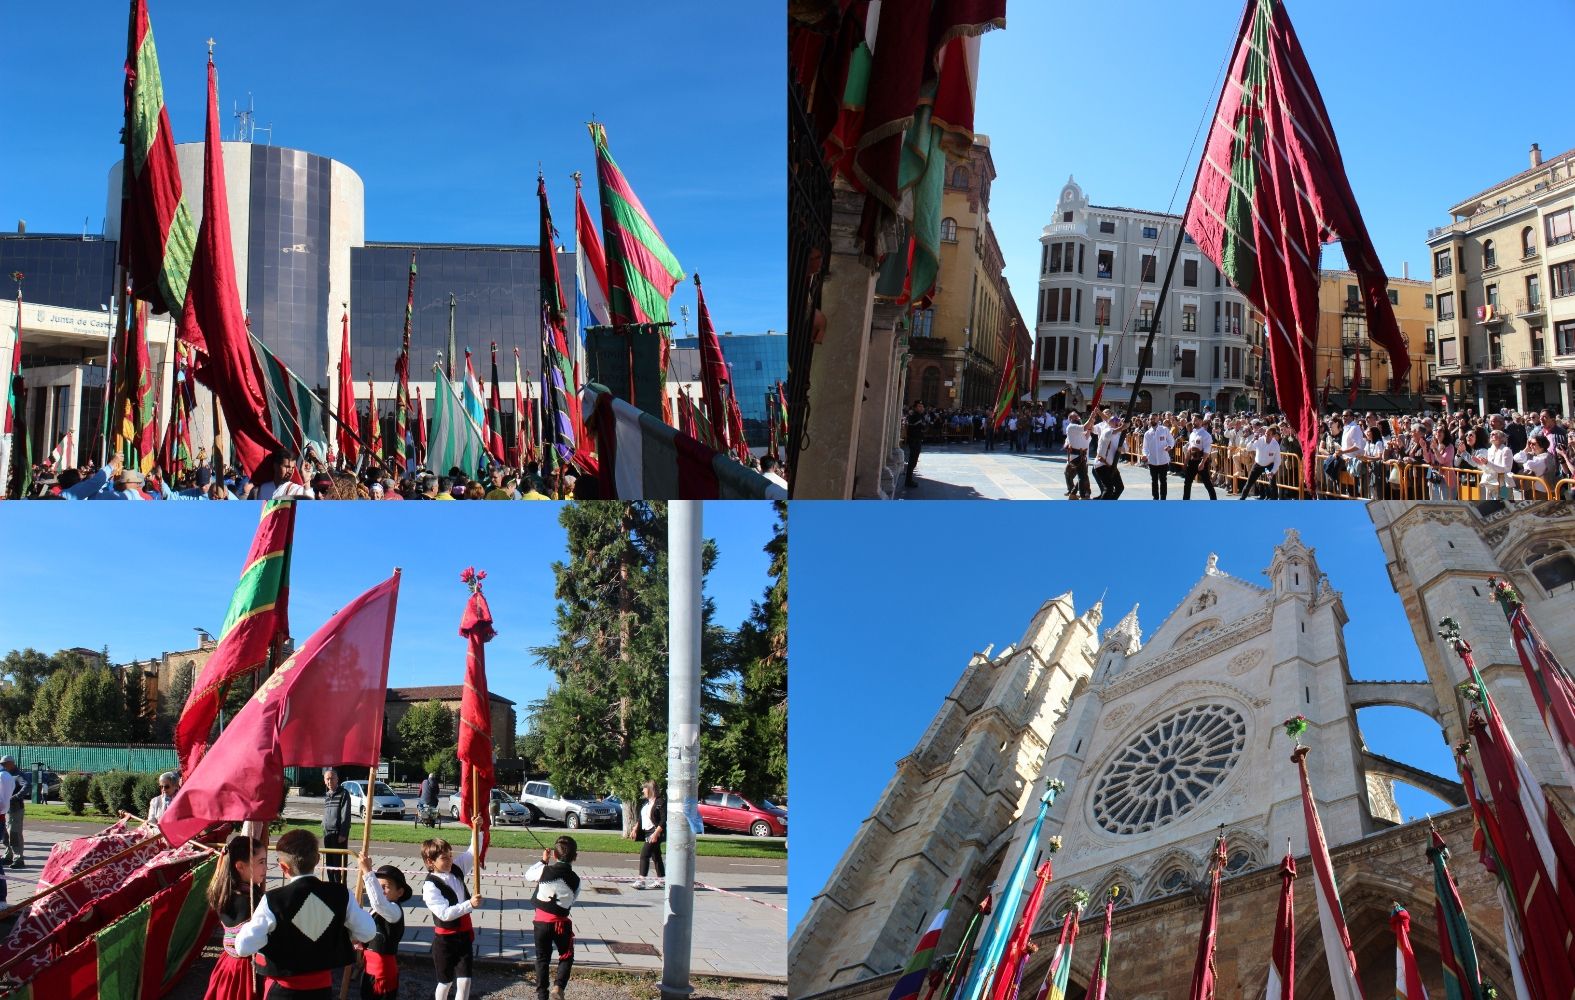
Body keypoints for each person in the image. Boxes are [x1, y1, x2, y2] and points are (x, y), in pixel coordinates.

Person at [232, 829, 378, 1000]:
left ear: (283, 867)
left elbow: (243, 947)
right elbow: (368, 932)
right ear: (317, 859)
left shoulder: (273, 900)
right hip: (321, 991)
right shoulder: (340, 894)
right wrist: (346, 933)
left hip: (283, 991)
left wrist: (268, 937)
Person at [420, 827, 484, 1000]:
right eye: (444, 858)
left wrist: (477, 830)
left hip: (463, 935)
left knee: (465, 980)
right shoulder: (430, 886)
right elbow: (444, 914)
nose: (449, 860)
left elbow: (473, 851)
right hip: (445, 941)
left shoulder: (456, 869)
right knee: (445, 982)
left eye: (450, 855)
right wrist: (469, 904)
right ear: (430, 861)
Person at [204, 834, 266, 1000]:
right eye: (261, 862)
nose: (266, 868)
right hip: (247, 970)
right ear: (240, 866)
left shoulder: (223, 891)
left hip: (227, 965)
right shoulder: (250, 901)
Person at [527, 836, 580, 1000]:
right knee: (566, 955)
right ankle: (558, 986)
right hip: (561, 924)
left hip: (541, 922)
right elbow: (572, 899)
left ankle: (542, 995)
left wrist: (543, 861)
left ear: (554, 856)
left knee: (542, 959)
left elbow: (528, 875)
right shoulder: (576, 880)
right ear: (575, 857)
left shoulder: (544, 870)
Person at [356, 851, 411, 1000]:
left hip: (383, 974)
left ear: (399, 892)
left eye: (386, 887)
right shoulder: (376, 909)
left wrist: (368, 872)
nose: (380, 890)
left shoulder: (394, 911)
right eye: (378, 886)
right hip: (369, 969)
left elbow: (378, 902)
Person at [632, 781, 665, 890]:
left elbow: (663, 820)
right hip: (647, 832)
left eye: (644, 788)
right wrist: (635, 828)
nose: (642, 791)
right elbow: (642, 817)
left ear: (650, 789)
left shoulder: (660, 802)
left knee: (644, 854)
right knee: (656, 856)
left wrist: (656, 833)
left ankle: (641, 881)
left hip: (655, 832)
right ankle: (661, 880)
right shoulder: (647, 803)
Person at [322, 768, 352, 886]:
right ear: (324, 781)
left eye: (332, 778)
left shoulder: (344, 794)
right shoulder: (327, 795)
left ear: (337, 779)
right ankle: (331, 886)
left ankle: (340, 888)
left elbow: (346, 815)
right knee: (329, 864)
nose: (329, 781)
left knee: (339, 864)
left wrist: (343, 834)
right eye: (327, 779)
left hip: (338, 835)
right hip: (327, 834)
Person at [1240, 425, 1282, 499]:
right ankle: (1242, 499)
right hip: (1258, 465)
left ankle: (1275, 502)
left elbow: (1277, 460)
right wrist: (1253, 440)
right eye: (1265, 434)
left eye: (1268, 434)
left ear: (1273, 436)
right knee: (1249, 483)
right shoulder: (1259, 440)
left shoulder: (1275, 445)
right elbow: (1248, 448)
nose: (1266, 436)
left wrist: (1273, 471)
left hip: (1269, 466)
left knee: (1273, 484)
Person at [1182, 415, 1217, 500]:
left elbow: (1207, 450)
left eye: (1196, 420)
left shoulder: (1206, 435)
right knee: (1187, 482)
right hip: (1192, 461)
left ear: (1201, 421)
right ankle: (1185, 501)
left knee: (1207, 483)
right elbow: (1190, 449)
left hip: (1201, 461)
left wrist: (1202, 462)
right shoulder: (1192, 433)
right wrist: (1185, 462)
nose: (1193, 422)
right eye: (1193, 420)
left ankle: (1214, 500)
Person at [2, 756, 28, 868]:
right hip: (6, 809)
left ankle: (19, 858)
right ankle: (8, 856)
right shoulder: (6, 774)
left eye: (4, 764)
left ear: (11, 763)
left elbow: (27, 785)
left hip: (16, 808)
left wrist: (15, 797)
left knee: (14, 833)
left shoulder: (18, 775)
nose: (2, 766)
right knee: (5, 833)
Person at [1092, 415, 1125, 500]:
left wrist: (1122, 448)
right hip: (1102, 465)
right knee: (1109, 489)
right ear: (1109, 422)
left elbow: (1126, 448)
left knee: (1119, 488)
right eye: (1114, 420)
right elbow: (1112, 432)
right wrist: (1123, 427)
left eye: (1117, 420)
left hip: (1111, 466)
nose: (1117, 421)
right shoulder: (1106, 430)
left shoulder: (1120, 434)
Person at [1141, 418, 1175, 500]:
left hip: (1163, 460)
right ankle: (1155, 498)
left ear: (1157, 420)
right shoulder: (1147, 433)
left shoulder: (1164, 429)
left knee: (1163, 481)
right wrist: (1145, 455)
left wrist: (1169, 447)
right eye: (1150, 419)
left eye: (1154, 419)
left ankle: (1163, 498)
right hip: (1152, 461)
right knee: (1154, 481)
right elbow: (1145, 447)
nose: (1152, 420)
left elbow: (1171, 440)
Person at [1063, 413, 1091, 500]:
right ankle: (1081, 495)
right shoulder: (1072, 427)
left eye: (1078, 417)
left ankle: (1074, 493)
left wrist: (1091, 424)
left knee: (1083, 476)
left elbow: (1087, 436)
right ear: (1070, 419)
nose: (1078, 418)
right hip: (1076, 456)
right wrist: (1091, 417)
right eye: (1075, 417)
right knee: (1081, 476)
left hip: (1082, 456)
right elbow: (1085, 427)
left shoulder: (1079, 429)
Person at [904, 402, 926, 488]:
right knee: (912, 461)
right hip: (914, 440)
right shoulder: (914, 416)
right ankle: (908, 481)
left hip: (917, 440)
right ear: (915, 408)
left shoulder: (919, 416)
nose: (921, 408)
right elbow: (923, 427)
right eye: (919, 406)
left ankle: (909, 479)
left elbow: (924, 427)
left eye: (922, 406)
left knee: (914, 461)